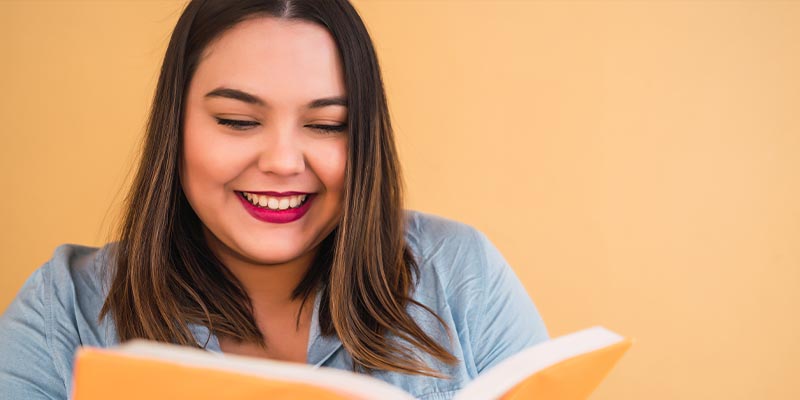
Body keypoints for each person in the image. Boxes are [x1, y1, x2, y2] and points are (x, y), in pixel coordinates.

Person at [0, 1, 548, 399]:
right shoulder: (67, 310)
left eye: (328, 125)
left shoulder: (458, 273)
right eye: (238, 121)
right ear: (176, 127)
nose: (284, 162)